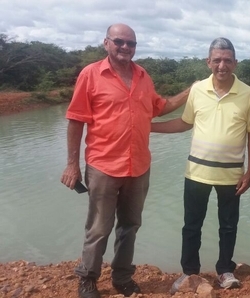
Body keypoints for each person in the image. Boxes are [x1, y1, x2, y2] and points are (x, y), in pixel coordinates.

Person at [60, 23, 191, 298]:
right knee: (98, 227)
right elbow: (75, 120)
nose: (125, 47)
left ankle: (122, 277)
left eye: (131, 43)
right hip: (103, 165)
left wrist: (193, 90)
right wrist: (72, 163)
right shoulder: (91, 75)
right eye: (119, 41)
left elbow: (160, 107)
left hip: (139, 165)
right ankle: (87, 278)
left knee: (130, 225)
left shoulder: (143, 76)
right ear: (106, 43)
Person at [150, 37, 250, 293]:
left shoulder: (248, 94)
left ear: (236, 63)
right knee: (191, 225)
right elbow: (185, 123)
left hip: (232, 174)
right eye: (217, 60)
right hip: (196, 171)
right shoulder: (197, 90)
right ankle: (189, 272)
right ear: (208, 62)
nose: (222, 65)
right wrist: (149, 128)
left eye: (227, 60)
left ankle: (225, 270)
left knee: (228, 225)